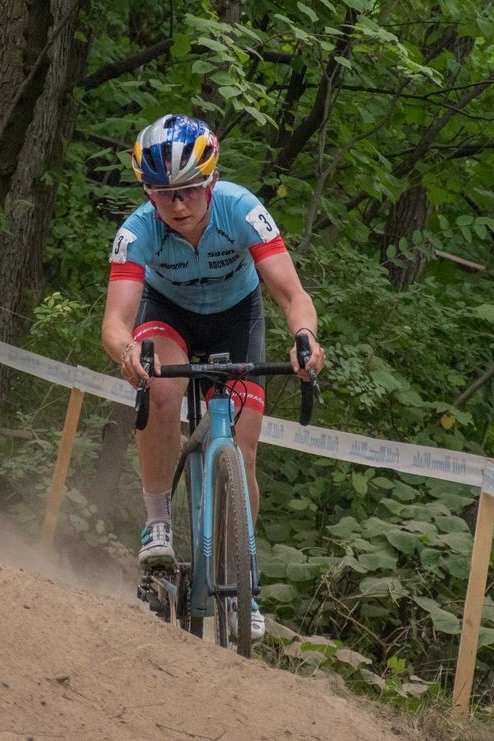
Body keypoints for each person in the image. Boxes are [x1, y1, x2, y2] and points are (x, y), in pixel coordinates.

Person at [100, 113, 327, 641]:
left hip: (235, 318)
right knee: (160, 384)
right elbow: (114, 321)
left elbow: (293, 296)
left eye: (189, 192)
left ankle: (243, 575)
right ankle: (158, 520)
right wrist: (128, 350)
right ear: (148, 193)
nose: (177, 206)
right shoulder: (137, 231)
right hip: (168, 314)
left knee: (243, 452)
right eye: (163, 194)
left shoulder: (242, 210)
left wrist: (306, 339)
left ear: (211, 183)